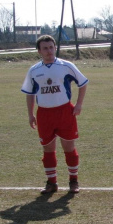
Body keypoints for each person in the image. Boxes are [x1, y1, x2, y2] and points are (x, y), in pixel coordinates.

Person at [21, 35, 88, 194]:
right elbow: (30, 93)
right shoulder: (34, 70)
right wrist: (30, 114)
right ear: (39, 51)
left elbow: (83, 83)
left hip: (65, 111)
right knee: (48, 149)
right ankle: (52, 183)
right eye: (45, 48)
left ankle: (73, 181)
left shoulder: (66, 66)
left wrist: (78, 104)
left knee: (69, 148)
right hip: (44, 114)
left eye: (51, 47)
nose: (49, 51)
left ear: (55, 48)